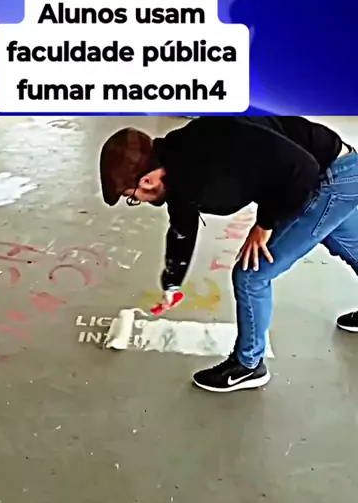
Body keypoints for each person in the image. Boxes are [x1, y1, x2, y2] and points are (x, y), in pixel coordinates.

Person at [99, 116, 358, 393]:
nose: (138, 202)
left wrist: (264, 225)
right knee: (347, 244)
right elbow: (182, 224)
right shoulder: (178, 162)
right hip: (337, 168)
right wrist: (172, 282)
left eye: (132, 196)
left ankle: (248, 365)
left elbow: (302, 168)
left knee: (251, 276)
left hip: (328, 178)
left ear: (148, 179)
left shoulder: (209, 164)